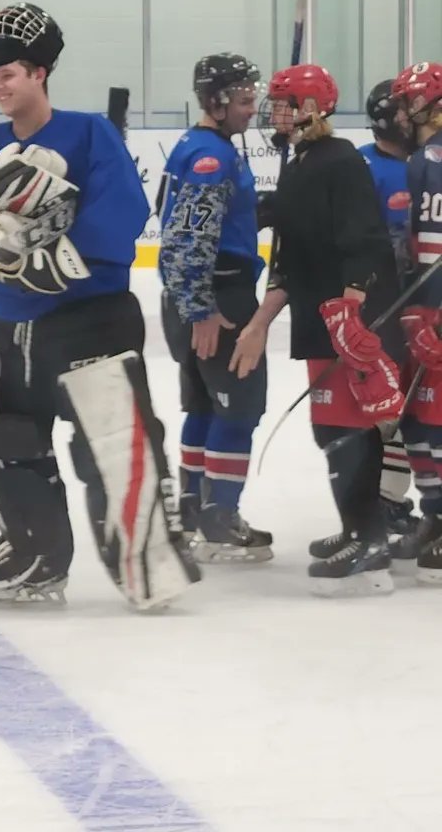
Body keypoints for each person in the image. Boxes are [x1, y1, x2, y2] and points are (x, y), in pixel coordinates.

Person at [0, 2, 200, 609]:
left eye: (9, 73)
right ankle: (36, 554)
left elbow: (122, 217)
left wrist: (48, 254)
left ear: (39, 74)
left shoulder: (90, 134)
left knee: (113, 449)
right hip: (12, 330)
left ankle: (150, 562)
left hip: (90, 325)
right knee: (6, 444)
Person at [230, 64, 405, 596]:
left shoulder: (341, 162)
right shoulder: (300, 161)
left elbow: (366, 240)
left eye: (283, 102)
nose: (273, 112)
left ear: (310, 108)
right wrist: (261, 321)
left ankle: (370, 541)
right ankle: (359, 529)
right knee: (331, 428)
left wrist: (353, 307)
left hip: (348, 319)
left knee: (348, 426)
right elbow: (291, 256)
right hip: (319, 316)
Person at [157, 53, 272, 563]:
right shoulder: (212, 158)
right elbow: (187, 237)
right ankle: (219, 519)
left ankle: (193, 511)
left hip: (196, 296)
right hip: (217, 299)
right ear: (216, 103)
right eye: (244, 101)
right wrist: (201, 308)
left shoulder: (199, 145)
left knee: (205, 405)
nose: (253, 110)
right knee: (239, 407)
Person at [356, 80, 418, 546]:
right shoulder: (362, 168)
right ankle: (385, 502)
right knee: (388, 412)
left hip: (422, 307)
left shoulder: (426, 164)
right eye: (404, 112)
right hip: (382, 312)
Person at [389, 62, 442, 584]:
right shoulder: (418, 161)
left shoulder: (432, 160)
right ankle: (432, 514)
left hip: (436, 312)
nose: (401, 113)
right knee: (417, 419)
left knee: (437, 419)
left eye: (408, 102)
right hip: (420, 309)